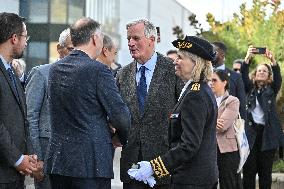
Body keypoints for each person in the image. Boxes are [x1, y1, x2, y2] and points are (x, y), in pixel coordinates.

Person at [44, 17, 131, 189]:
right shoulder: (99, 71)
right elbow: (121, 116)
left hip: (59, 162)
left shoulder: (55, 69)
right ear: (95, 39)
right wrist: (119, 138)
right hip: (90, 165)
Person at [129, 35, 218, 189]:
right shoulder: (196, 89)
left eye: (180, 57)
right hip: (195, 177)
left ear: (195, 63)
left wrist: (154, 167)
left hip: (192, 180)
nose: (175, 61)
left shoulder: (195, 95)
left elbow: (189, 145)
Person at [116, 19, 183, 189]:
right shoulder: (122, 74)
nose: (130, 43)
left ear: (151, 40)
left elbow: (183, 113)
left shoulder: (173, 70)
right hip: (132, 165)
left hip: (164, 164)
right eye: (128, 38)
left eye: (136, 38)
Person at [25, 28, 73, 189]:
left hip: (75, 159)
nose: (75, 55)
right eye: (71, 49)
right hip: (47, 155)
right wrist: (36, 158)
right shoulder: (41, 74)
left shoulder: (85, 76)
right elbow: (30, 117)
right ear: (59, 49)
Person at [0, 12, 37, 188]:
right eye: (25, 36)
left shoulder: (12, 71)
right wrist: (17, 158)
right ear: (14, 38)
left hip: (14, 175)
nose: (26, 42)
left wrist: (29, 154)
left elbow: (22, 118)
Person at [242, 46, 283, 189]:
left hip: (267, 135)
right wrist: (247, 58)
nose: (261, 72)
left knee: (265, 173)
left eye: (264, 71)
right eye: (259, 70)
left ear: (268, 75)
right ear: (255, 74)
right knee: (249, 172)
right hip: (251, 135)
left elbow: (278, 78)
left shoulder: (271, 90)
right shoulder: (248, 88)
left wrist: (272, 60)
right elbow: (243, 75)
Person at [210, 69, 242, 189]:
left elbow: (222, 126)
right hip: (209, 149)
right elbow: (199, 123)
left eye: (214, 80)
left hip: (227, 150)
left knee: (228, 183)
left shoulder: (232, 101)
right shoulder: (207, 99)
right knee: (210, 182)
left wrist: (207, 122)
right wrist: (213, 122)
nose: (211, 83)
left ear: (224, 82)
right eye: (209, 80)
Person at [212, 41, 247, 120]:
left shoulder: (236, 76)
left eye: (213, 51)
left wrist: (241, 127)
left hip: (228, 124)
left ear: (222, 55)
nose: (210, 54)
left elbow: (241, 103)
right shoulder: (203, 74)